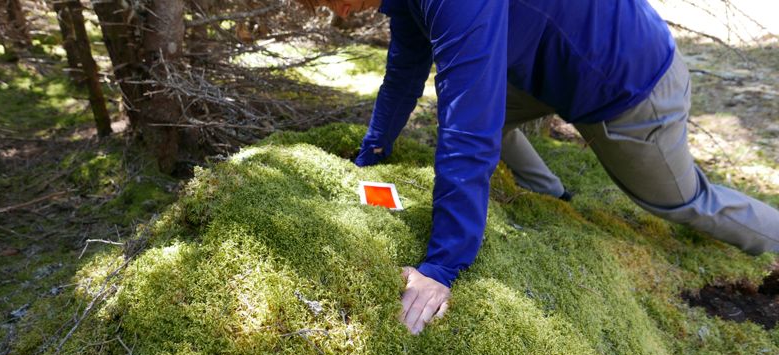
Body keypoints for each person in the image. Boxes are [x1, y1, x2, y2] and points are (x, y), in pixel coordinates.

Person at [297, 0, 779, 334]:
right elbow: (405, 69)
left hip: (630, 85)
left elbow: (471, 129)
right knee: (475, 109)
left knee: (684, 201)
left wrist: (442, 266)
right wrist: (372, 152)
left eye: (329, 0)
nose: (338, 13)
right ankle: (552, 199)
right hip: (566, 67)